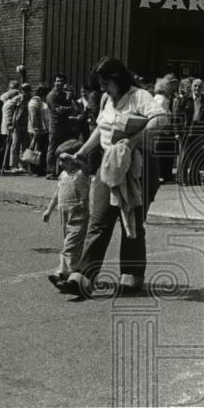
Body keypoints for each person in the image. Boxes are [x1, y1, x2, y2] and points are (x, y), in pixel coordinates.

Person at [56, 57, 168, 298]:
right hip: (110, 163)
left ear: (118, 79)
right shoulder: (108, 99)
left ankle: (132, 275)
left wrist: (133, 140)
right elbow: (100, 129)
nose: (103, 88)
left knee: (133, 221)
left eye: (106, 82)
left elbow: (160, 119)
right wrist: (81, 153)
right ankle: (83, 276)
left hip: (139, 163)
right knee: (99, 220)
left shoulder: (139, 96)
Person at [44, 138, 91, 286]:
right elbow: (57, 193)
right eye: (59, 160)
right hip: (64, 213)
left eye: (64, 160)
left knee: (70, 245)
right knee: (69, 245)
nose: (61, 164)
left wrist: (75, 157)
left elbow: (87, 169)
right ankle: (69, 272)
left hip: (78, 213)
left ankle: (67, 273)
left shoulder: (81, 174)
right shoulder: (63, 175)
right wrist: (49, 210)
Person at [178, 78, 204, 186]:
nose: (197, 88)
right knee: (184, 154)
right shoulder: (185, 99)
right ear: (192, 87)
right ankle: (182, 179)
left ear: (203, 88)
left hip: (199, 128)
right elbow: (178, 116)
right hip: (186, 128)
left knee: (197, 154)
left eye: (199, 86)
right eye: (195, 86)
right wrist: (177, 132)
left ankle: (194, 178)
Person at [45, 75, 77, 179]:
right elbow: (59, 110)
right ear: (54, 82)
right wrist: (69, 108)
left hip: (65, 124)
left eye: (61, 81)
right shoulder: (51, 95)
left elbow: (71, 107)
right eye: (57, 81)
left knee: (65, 147)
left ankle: (62, 170)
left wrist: (70, 98)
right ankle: (50, 172)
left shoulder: (64, 94)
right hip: (55, 125)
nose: (59, 83)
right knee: (53, 148)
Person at [152, 74, 181, 183]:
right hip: (163, 130)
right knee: (163, 153)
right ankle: (162, 174)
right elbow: (159, 115)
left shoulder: (163, 98)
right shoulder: (162, 99)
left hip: (165, 130)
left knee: (166, 153)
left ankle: (166, 174)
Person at [27, 84, 49, 176]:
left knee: (41, 150)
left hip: (43, 129)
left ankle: (40, 169)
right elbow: (33, 117)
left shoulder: (40, 101)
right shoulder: (34, 103)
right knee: (36, 150)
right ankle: (33, 170)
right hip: (36, 130)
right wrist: (36, 129)